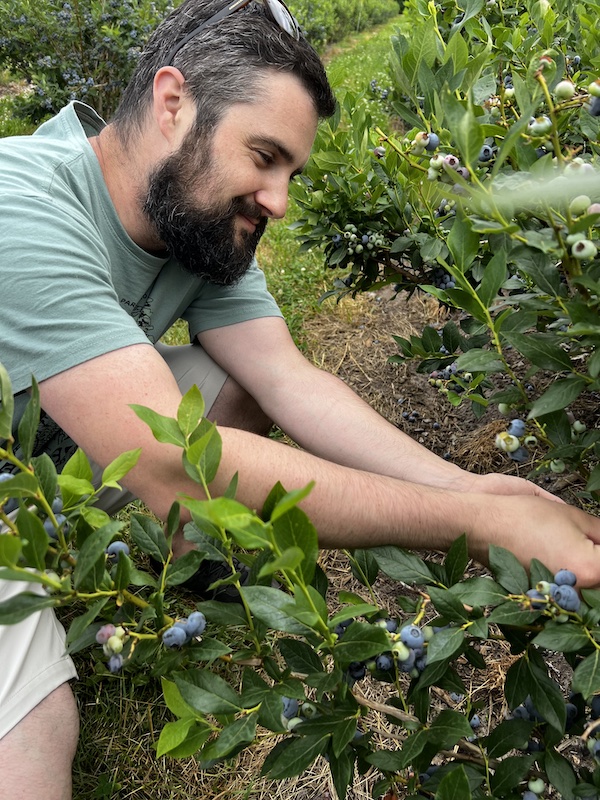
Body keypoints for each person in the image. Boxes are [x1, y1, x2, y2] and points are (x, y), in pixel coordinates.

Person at [1, 0, 600, 797]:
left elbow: (290, 381)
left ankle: (187, 570)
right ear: (173, 102)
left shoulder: (202, 221)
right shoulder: (23, 208)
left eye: (293, 173)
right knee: (38, 727)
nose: (278, 200)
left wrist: (468, 486)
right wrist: (479, 527)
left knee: (238, 384)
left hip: (54, 448)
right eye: (265, 155)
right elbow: (170, 461)